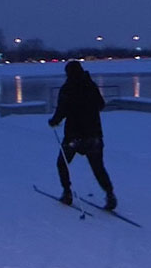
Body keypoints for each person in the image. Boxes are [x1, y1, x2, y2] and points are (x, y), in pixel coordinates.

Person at [48, 61, 117, 210]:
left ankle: (67, 193)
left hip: (74, 135)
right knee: (98, 167)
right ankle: (110, 193)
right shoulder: (90, 85)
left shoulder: (67, 88)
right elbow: (101, 105)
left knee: (63, 163)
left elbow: (62, 110)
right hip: (94, 135)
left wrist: (54, 121)